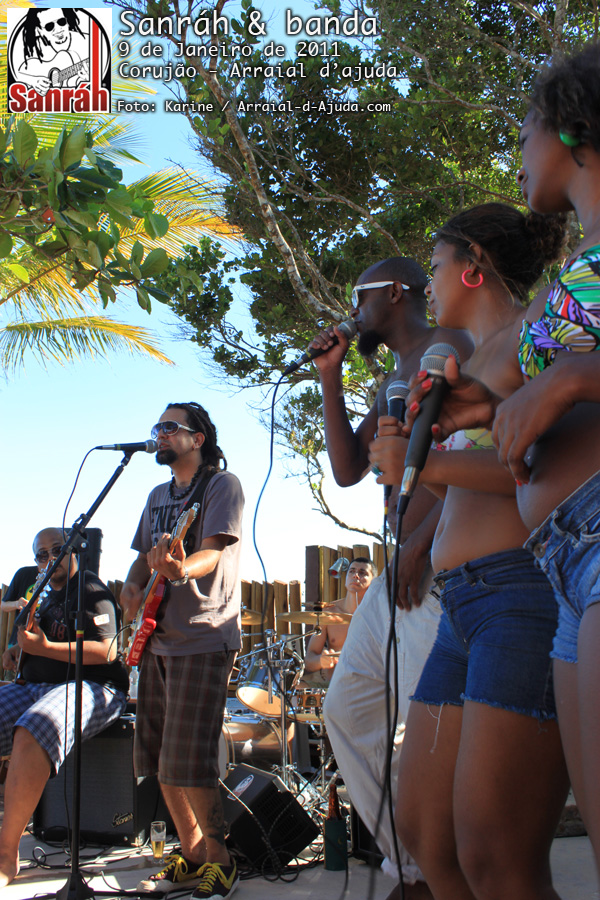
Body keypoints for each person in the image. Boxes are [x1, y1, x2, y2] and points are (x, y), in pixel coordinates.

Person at [402, 44, 600, 881]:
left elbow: (578, 376)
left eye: (523, 131)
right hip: (563, 563)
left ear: (567, 124)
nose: (518, 156)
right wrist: (492, 408)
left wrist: (576, 376)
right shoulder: (582, 264)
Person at [370, 203, 569, 900]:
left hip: (519, 591)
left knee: (496, 853)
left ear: (473, 269)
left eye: (433, 265)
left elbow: (540, 466)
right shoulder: (466, 364)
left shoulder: (531, 338)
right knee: (427, 833)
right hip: (459, 604)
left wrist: (427, 465)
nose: (428, 281)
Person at [310, 257, 472, 899]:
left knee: (425, 729)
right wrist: (331, 376)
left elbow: (473, 455)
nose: (353, 309)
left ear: (395, 292)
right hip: (398, 564)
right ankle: (413, 863)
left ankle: (438, 870)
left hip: (437, 565)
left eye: (359, 295)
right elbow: (349, 471)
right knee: (346, 709)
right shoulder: (389, 379)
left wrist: (422, 543)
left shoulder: (452, 348)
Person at [120, 402, 244, 900]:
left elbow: (214, 549)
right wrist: (131, 591)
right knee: (155, 756)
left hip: (203, 635)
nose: (161, 434)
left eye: (171, 427)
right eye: (158, 428)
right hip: (156, 639)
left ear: (198, 438)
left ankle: (222, 858)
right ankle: (191, 854)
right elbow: (138, 561)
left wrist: (180, 570)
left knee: (188, 758)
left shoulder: (220, 485)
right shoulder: (155, 495)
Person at [0, 527, 128, 889]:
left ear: (73, 551)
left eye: (57, 549)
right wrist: (18, 652)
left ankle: (7, 856)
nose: (49, 558)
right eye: (41, 554)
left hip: (94, 686)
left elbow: (108, 651)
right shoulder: (38, 593)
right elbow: (32, 643)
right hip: (36, 685)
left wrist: (43, 650)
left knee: (33, 727)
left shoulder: (91, 589)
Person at [302, 557, 376, 686]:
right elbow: (309, 661)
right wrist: (321, 660)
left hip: (370, 688)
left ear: (373, 581)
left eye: (362, 573)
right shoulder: (328, 613)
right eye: (351, 571)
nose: (355, 576)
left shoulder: (379, 614)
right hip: (334, 687)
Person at [16, 8, 89, 96]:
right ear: (39, 31)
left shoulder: (88, 42)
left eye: (61, 21)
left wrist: (91, 80)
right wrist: (33, 81)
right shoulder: (34, 48)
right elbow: (16, 74)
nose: (58, 29)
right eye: (49, 26)